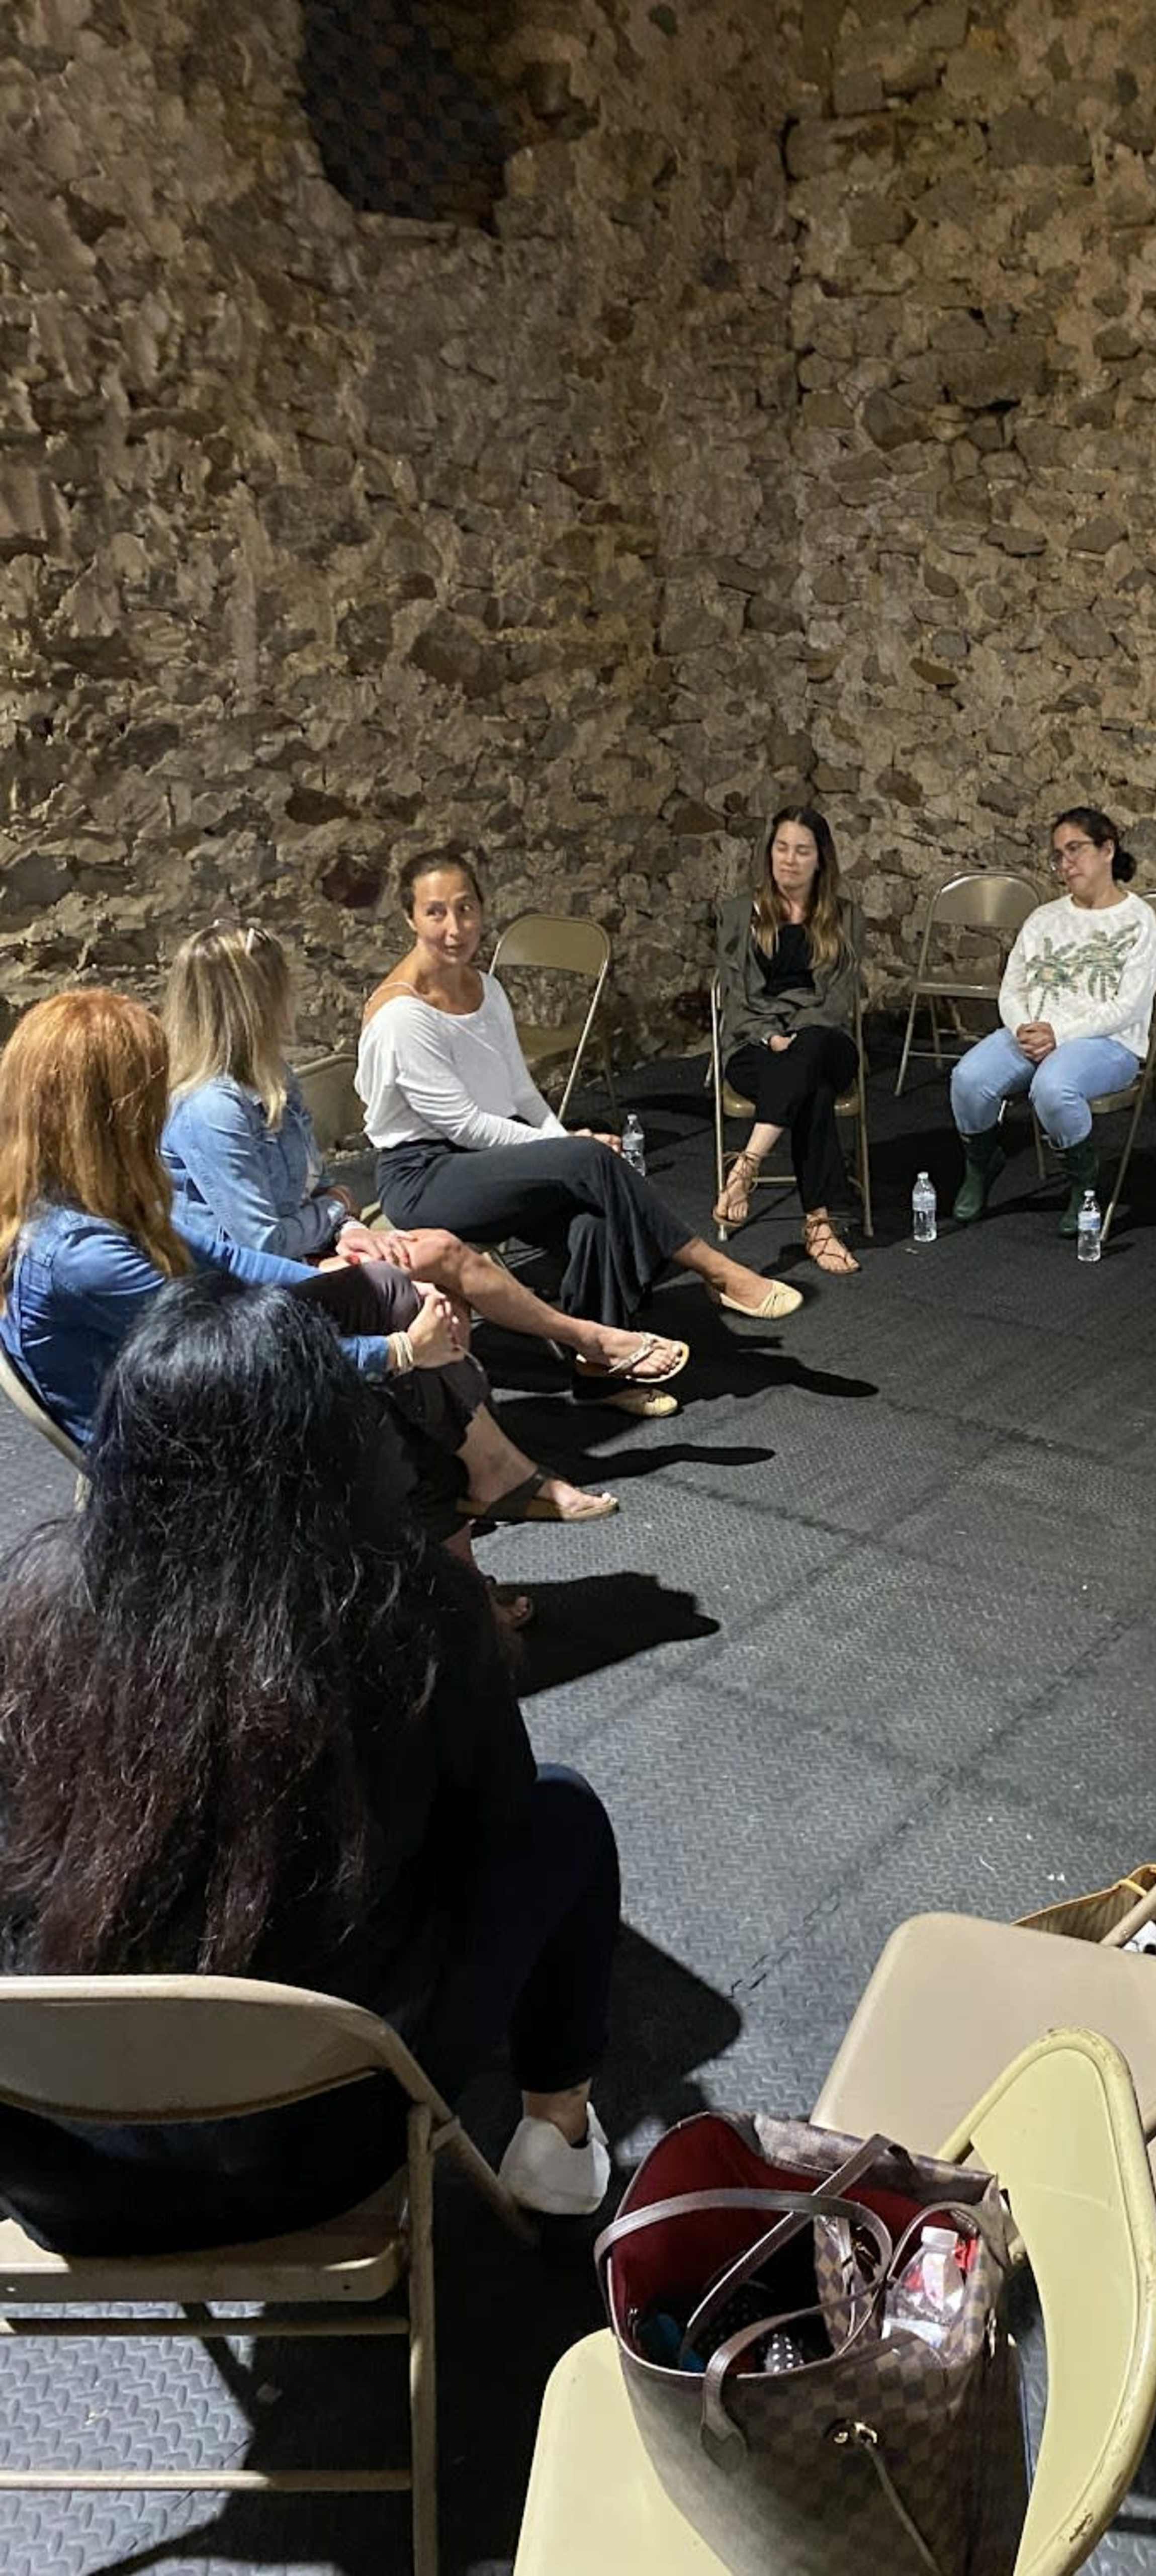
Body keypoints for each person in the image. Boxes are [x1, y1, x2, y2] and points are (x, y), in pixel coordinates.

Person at [0, 1273, 620, 2252]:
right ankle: (558, 2137)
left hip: (57, 2170)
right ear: (335, 1439)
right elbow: (498, 1821)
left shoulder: (31, 1620)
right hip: (327, 2158)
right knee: (563, 1814)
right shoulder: (415, 1617)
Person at [0, 992, 613, 1586]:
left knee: (380, 1288)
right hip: (172, 1450)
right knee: (387, 1411)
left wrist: (366, 1288)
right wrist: (397, 1352)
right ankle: (453, 1589)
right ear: (112, 1114)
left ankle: (476, 1520)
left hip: (185, 1381)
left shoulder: (92, 1200)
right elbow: (234, 1358)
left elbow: (230, 1258)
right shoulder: (80, 1254)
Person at [162, 921, 688, 1412]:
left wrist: (347, 1226)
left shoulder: (274, 1075)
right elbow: (263, 1245)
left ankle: (581, 1358)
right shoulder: (214, 1108)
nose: (289, 999)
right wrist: (335, 1213)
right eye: (278, 986)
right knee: (437, 1286)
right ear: (250, 1001)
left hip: (310, 1241)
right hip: (248, 1279)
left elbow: (315, 1184)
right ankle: (584, 1349)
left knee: (454, 1250)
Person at [358, 851, 801, 1324]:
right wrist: (569, 1148)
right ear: (410, 918)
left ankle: (601, 1367)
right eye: (436, 912)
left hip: (484, 1160)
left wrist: (563, 1148)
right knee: (589, 1158)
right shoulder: (403, 1015)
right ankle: (716, 1270)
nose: (455, 927)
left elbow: (523, 1094)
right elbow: (466, 1127)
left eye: (466, 908)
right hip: (424, 1176)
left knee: (592, 1216)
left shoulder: (487, 989)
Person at [949, 806, 1156, 1232]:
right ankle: (980, 1165)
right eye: (1058, 856)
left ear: (1107, 849)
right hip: (1035, 1033)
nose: (1066, 864)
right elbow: (1013, 988)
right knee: (969, 1078)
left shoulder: (1139, 920)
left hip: (1108, 1041)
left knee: (1054, 1087)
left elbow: (1130, 1005)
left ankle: (1084, 1184)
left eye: (1075, 850)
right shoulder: (1044, 918)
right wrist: (1022, 1028)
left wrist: (1059, 1033)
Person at [714, 808, 863, 1275]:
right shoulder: (739, 913)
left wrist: (795, 1037)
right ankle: (819, 1226)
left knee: (813, 1048)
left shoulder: (845, 916)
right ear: (769, 853)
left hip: (825, 1040)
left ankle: (745, 1167)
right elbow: (735, 995)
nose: (790, 861)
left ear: (821, 859)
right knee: (811, 1090)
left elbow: (839, 1000)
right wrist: (768, 1035)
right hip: (754, 1044)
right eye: (782, 848)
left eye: (802, 851)